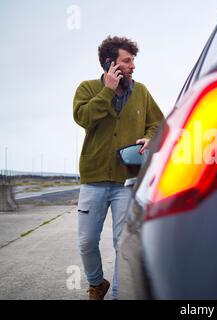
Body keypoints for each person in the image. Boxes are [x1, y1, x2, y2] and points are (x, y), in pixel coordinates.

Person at [73, 36, 164, 300]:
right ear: (110, 63)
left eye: (133, 60)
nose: (133, 65)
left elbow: (157, 123)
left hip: (127, 181)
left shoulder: (142, 92)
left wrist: (149, 137)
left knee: (122, 243)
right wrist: (107, 91)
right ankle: (96, 283)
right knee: (86, 242)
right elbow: (84, 118)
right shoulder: (87, 88)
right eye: (127, 60)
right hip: (93, 178)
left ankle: (117, 294)